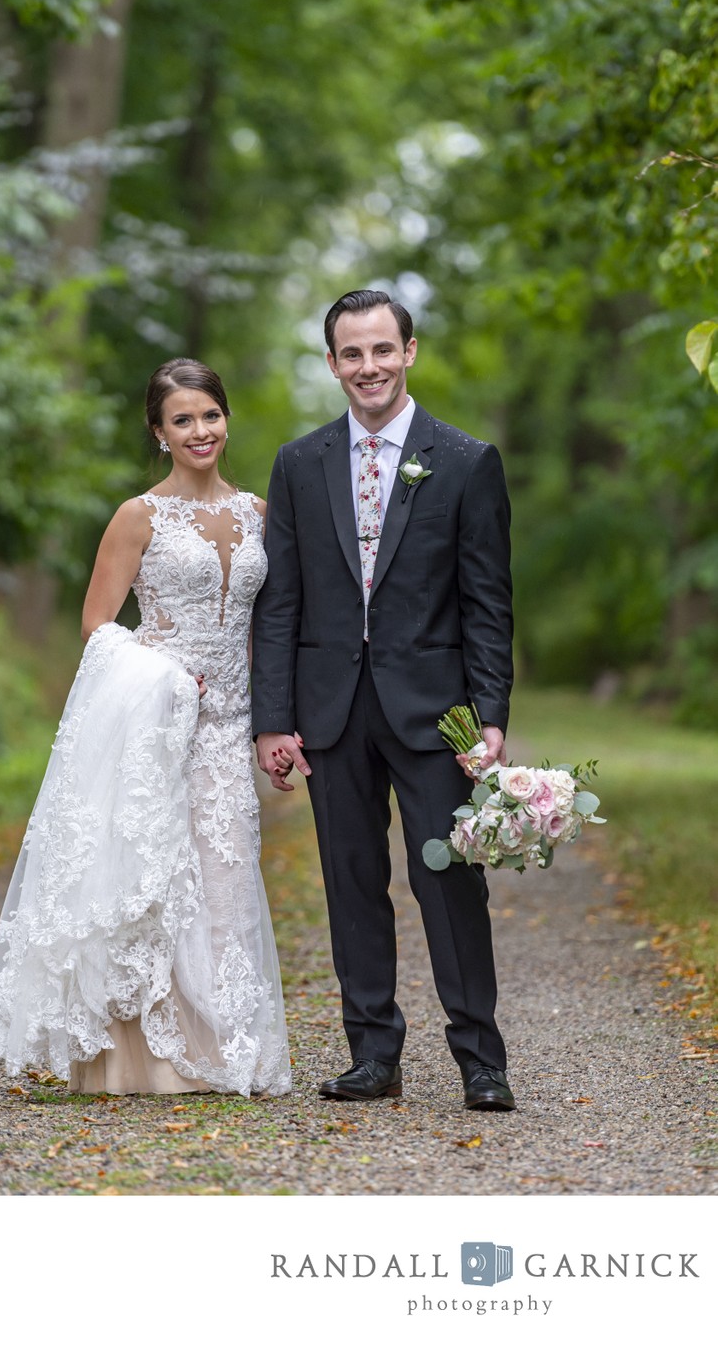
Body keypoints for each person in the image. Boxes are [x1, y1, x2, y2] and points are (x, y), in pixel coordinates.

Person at [0, 358, 291, 1098]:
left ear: (227, 418)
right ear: (158, 432)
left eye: (210, 415)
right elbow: (98, 624)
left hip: (229, 724)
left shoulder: (259, 513)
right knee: (153, 879)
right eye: (181, 420)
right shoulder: (138, 516)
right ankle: (143, 1059)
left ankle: (225, 1046)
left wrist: (274, 718)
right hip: (158, 719)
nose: (200, 431)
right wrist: (163, 678)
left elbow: (271, 624)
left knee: (223, 878)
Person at [251, 289, 515, 1111]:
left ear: (410, 353)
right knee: (351, 880)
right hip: (331, 709)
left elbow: (488, 601)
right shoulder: (300, 463)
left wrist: (491, 715)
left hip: (437, 711)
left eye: (381, 350)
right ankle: (374, 1053)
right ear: (332, 363)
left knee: (448, 879)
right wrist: (272, 719)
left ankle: (481, 1058)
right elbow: (281, 601)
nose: (368, 367)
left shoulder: (466, 461)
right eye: (351, 354)